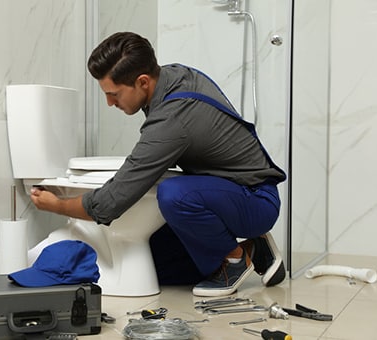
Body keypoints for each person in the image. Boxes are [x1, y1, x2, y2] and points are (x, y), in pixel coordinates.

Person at [30, 31, 287, 297]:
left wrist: (58, 206)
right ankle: (254, 248)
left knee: (173, 194)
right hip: (223, 191)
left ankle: (234, 259)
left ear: (142, 81)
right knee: (157, 265)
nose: (109, 103)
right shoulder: (172, 76)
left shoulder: (173, 119)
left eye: (114, 94)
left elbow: (112, 202)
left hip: (254, 198)